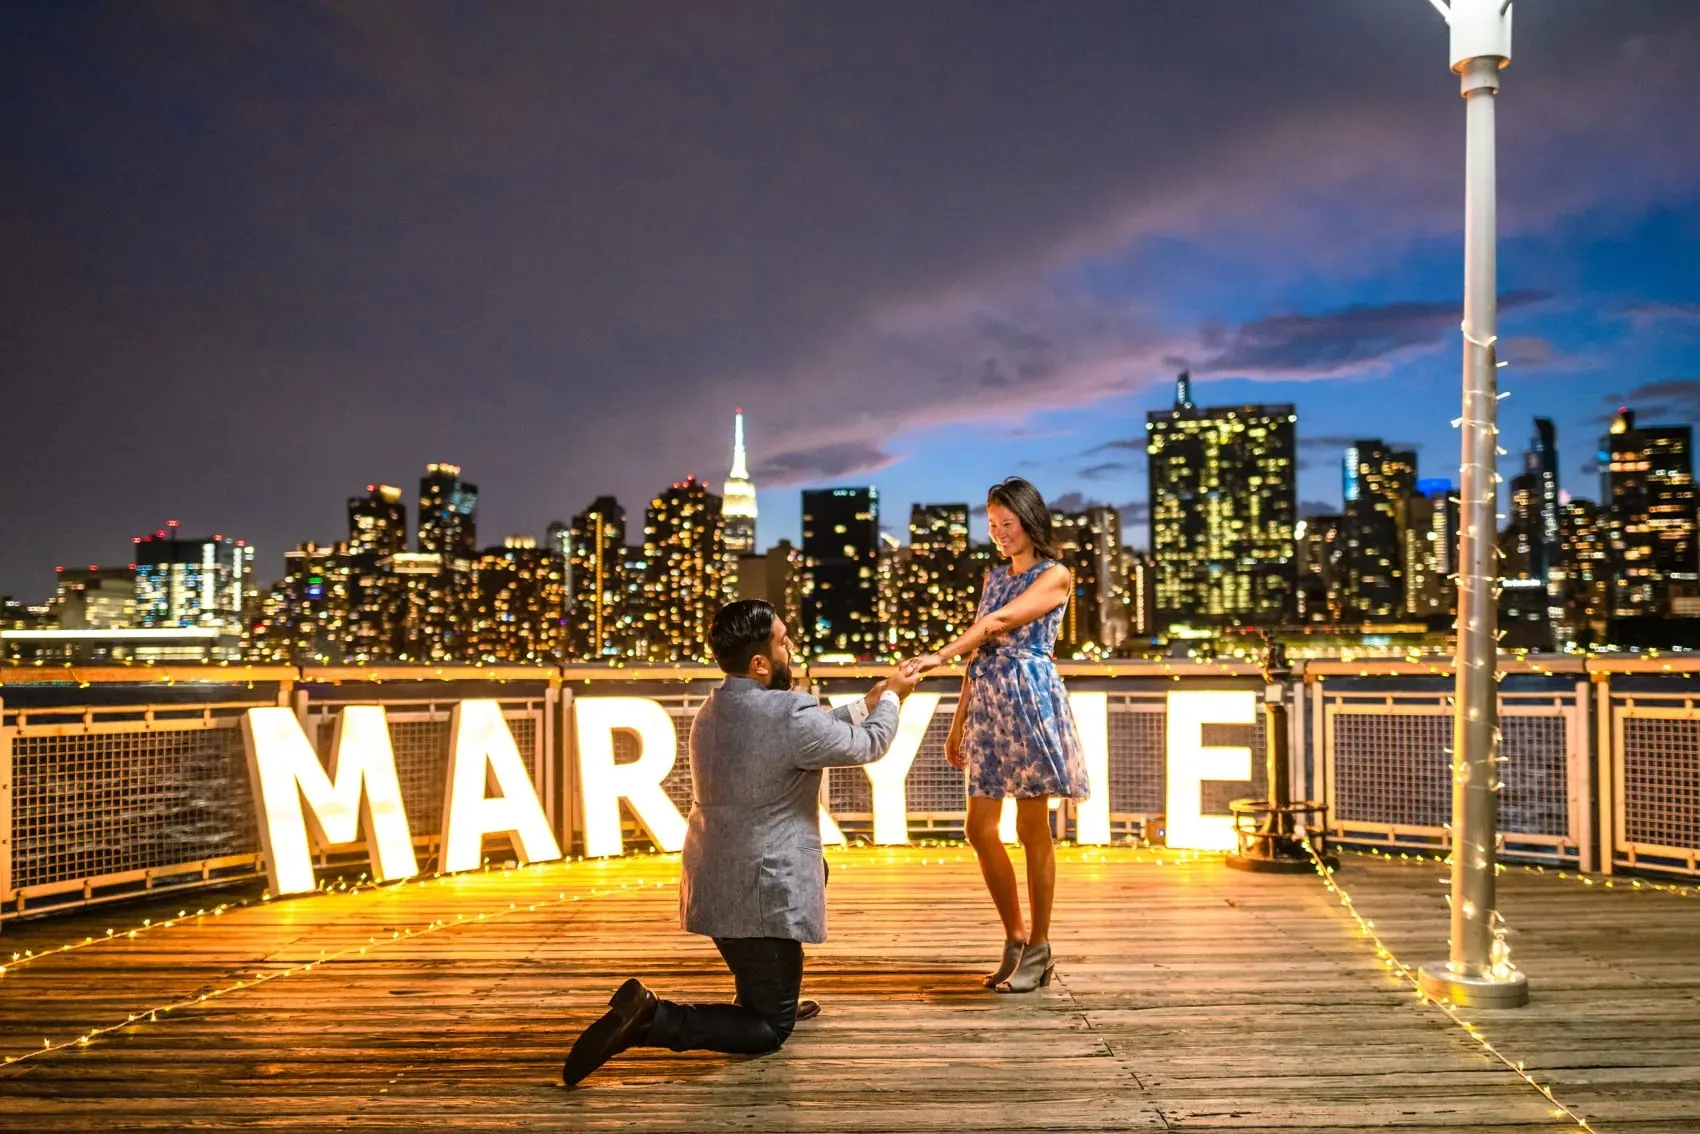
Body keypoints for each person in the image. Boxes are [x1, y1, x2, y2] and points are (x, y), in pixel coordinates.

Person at [562, 598, 922, 1086]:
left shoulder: (715, 708)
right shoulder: (790, 713)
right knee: (771, 1028)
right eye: (781, 641)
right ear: (759, 663)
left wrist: (867, 703)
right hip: (763, 890)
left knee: (808, 888)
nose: (790, 648)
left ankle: (765, 991)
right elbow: (869, 746)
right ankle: (651, 1018)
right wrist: (897, 698)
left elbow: (809, 732)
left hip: (715, 879)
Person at [901, 477, 1089, 993]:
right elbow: (985, 642)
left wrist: (939, 654)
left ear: (1030, 522)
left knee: (1033, 830)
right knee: (980, 827)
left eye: (1008, 524)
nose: (1001, 534)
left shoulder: (1055, 576)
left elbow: (1000, 623)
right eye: (993, 526)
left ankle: (1041, 947)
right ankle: (1015, 936)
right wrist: (959, 719)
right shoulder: (994, 576)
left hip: (1029, 698)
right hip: (988, 699)